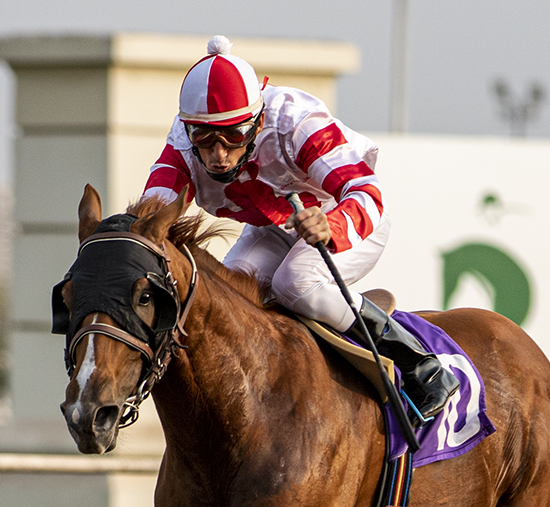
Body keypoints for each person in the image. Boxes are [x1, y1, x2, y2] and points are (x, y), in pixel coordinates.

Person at [141, 35, 453, 427]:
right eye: (203, 138)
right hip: (275, 227)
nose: (218, 154)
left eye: (233, 136)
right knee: (226, 293)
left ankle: (420, 365)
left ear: (257, 122)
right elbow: (149, 219)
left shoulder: (297, 122)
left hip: (345, 218)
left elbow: (367, 195)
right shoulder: (182, 145)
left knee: (295, 282)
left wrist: (330, 224)